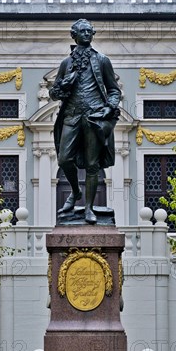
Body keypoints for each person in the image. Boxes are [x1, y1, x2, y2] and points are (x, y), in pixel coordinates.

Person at [50, 19, 121, 224]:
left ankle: (89, 208)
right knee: (64, 159)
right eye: (83, 31)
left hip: (94, 117)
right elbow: (54, 93)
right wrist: (64, 83)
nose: (87, 34)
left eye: (90, 31)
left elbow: (114, 90)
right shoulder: (66, 63)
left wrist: (109, 107)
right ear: (74, 35)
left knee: (92, 165)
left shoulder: (102, 60)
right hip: (72, 116)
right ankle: (75, 191)